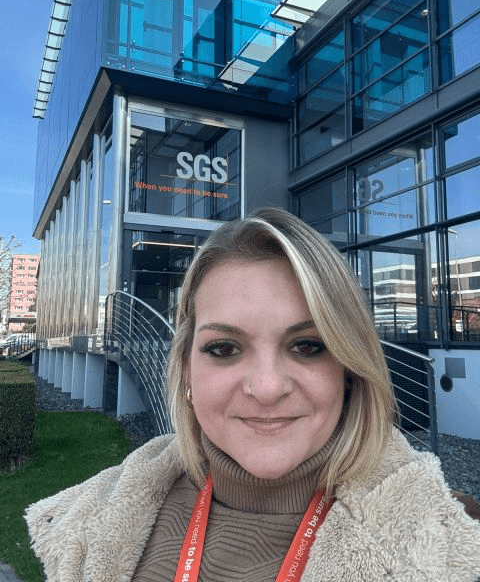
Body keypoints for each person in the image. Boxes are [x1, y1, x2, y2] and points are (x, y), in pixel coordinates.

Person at [26, 207, 480, 581]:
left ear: (349, 369)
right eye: (224, 348)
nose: (266, 388)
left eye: (308, 346)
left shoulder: (453, 541)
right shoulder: (88, 519)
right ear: (187, 368)